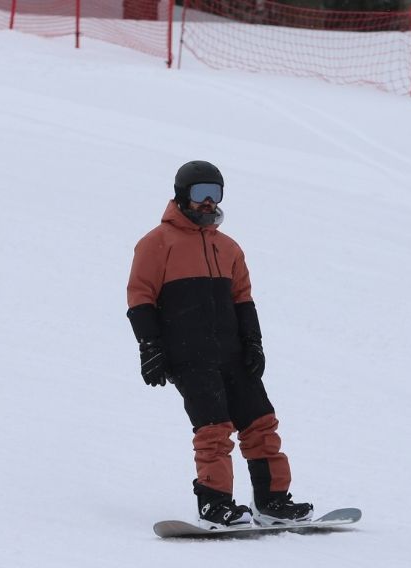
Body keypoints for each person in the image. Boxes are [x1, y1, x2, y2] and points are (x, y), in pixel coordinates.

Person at [126, 160, 313, 529]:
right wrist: (150, 347)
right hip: (188, 354)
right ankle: (214, 504)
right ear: (182, 196)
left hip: (231, 353)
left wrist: (253, 343)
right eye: (201, 194)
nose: (209, 203)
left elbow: (243, 299)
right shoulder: (155, 244)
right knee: (213, 429)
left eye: (216, 194)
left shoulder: (228, 248)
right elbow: (140, 298)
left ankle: (272, 501)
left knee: (261, 423)